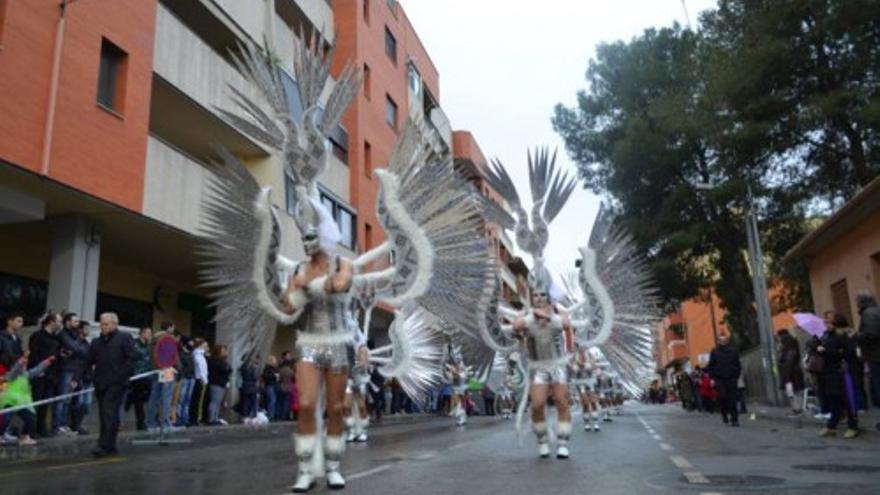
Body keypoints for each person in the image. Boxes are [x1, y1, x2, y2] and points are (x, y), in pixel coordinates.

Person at [280, 223, 356, 492]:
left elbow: (340, 284)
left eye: (312, 236)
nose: (307, 241)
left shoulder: (342, 263)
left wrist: (305, 287)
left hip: (337, 342)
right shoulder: (297, 269)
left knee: (336, 408)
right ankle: (306, 470)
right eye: (303, 237)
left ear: (325, 238)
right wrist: (295, 290)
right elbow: (288, 305)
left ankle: (333, 466)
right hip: (309, 342)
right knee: (307, 403)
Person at [512, 286, 573, 459]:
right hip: (538, 367)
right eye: (536, 295)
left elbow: (566, 323)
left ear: (549, 298)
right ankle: (543, 440)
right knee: (538, 404)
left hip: (558, 365)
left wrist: (547, 315)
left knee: (562, 401)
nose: (539, 297)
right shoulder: (528, 317)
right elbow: (517, 326)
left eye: (543, 295)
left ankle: (563, 443)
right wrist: (530, 316)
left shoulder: (558, 314)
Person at [88, 313, 134, 457]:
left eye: (106, 324)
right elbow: (88, 360)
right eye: (101, 324)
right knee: (106, 415)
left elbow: (131, 359)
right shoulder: (96, 342)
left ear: (115, 324)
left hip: (117, 384)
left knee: (108, 412)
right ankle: (110, 445)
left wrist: (120, 378)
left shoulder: (124, 338)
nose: (103, 327)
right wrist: (78, 377)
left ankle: (103, 445)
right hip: (101, 383)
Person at [817, 313, 860, 438]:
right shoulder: (826, 335)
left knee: (847, 399)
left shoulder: (843, 335)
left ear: (836, 323)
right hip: (829, 371)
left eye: (828, 322)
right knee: (833, 399)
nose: (826, 324)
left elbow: (848, 353)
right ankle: (831, 426)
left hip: (842, 371)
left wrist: (827, 351)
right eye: (825, 322)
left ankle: (853, 426)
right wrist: (819, 348)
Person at [0, 353, 55, 445]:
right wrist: (21, 361)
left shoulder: (26, 375)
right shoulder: (10, 376)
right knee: (5, 419)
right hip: (8, 402)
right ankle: (1, 435)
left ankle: (24, 436)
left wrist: (46, 362)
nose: (25, 366)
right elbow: (15, 370)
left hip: (21, 403)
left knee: (31, 418)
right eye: (24, 364)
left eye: (25, 364)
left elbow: (36, 370)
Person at [53, 312, 89, 435]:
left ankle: (63, 425)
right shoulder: (63, 334)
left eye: (78, 321)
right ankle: (57, 426)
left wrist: (75, 351)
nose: (77, 324)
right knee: (62, 398)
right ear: (67, 322)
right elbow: (77, 349)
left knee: (68, 399)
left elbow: (82, 351)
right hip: (66, 369)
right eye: (75, 321)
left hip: (75, 370)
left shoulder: (75, 336)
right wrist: (76, 350)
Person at [28, 311, 61, 437]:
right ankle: (30, 430)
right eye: (58, 321)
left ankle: (41, 428)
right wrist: (38, 371)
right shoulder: (38, 336)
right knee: (35, 402)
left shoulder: (55, 338)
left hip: (51, 375)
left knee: (45, 404)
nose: (60, 324)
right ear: (51, 322)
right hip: (39, 375)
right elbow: (34, 355)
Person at [853, 290, 880, 430]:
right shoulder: (875, 311)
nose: (856, 303)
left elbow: (871, 335)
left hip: (876, 357)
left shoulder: (869, 314)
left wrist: (856, 336)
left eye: (857, 300)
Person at [706, 334, 742, 426]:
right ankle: (724, 414)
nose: (723, 342)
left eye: (724, 340)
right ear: (718, 341)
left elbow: (738, 364)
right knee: (723, 397)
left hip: (731, 378)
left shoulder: (733, 351)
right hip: (719, 379)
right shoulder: (714, 352)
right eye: (721, 340)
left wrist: (736, 375)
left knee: (732, 399)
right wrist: (712, 379)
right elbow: (711, 366)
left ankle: (735, 419)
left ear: (727, 341)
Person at [70, 321, 93, 435]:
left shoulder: (87, 344)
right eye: (86, 328)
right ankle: (75, 425)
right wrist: (76, 378)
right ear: (80, 330)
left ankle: (78, 424)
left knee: (86, 403)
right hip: (79, 376)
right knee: (78, 402)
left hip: (88, 376)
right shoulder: (75, 343)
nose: (88, 331)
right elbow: (79, 362)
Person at [129, 327, 153, 431]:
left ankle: (148, 420)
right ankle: (140, 422)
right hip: (138, 375)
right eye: (148, 333)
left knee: (148, 398)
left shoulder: (149, 345)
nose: (150, 335)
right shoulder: (134, 344)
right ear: (142, 333)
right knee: (139, 400)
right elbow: (134, 358)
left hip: (148, 375)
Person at [777, 330, 805, 415]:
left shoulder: (788, 351)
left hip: (790, 375)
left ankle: (797, 409)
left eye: (779, 341)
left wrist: (786, 377)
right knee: (794, 392)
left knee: (793, 392)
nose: (778, 343)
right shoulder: (791, 348)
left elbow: (788, 363)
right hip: (793, 373)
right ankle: (796, 409)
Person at [206, 344, 231, 426]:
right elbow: (223, 369)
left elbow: (229, 369)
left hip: (222, 383)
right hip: (216, 383)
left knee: (218, 402)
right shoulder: (215, 360)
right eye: (223, 351)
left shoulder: (223, 360)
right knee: (214, 401)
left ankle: (216, 418)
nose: (225, 352)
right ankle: (211, 419)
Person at [175, 338, 196, 427]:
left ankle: (185, 418)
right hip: (184, 378)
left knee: (187, 399)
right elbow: (180, 366)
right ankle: (178, 418)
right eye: (191, 342)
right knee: (181, 399)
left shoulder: (191, 354)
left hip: (191, 378)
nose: (192, 344)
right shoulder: (181, 353)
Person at [188, 338, 209, 426]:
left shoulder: (200, 354)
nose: (207, 347)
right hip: (199, 379)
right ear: (200, 345)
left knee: (197, 400)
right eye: (205, 345)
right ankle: (195, 418)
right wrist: (203, 379)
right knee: (197, 400)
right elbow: (201, 368)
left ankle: (195, 418)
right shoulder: (198, 355)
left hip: (200, 379)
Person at [239, 353, 260, 422]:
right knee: (254, 401)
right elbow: (255, 377)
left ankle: (245, 416)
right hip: (252, 386)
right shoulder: (253, 367)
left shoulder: (243, 367)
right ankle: (254, 416)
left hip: (245, 385)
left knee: (246, 401)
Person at [277, 352, 294, 422]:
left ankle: (279, 415)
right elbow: (293, 378)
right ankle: (284, 416)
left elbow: (278, 379)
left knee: (280, 402)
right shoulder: (290, 371)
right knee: (286, 403)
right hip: (288, 388)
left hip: (280, 387)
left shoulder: (279, 370)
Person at [261, 355, 279, 421]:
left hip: (274, 385)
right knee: (272, 400)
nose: (275, 361)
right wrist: (273, 375)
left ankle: (273, 415)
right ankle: (270, 415)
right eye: (274, 360)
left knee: (273, 400)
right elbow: (265, 376)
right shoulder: (267, 368)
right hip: (269, 385)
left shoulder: (275, 368)